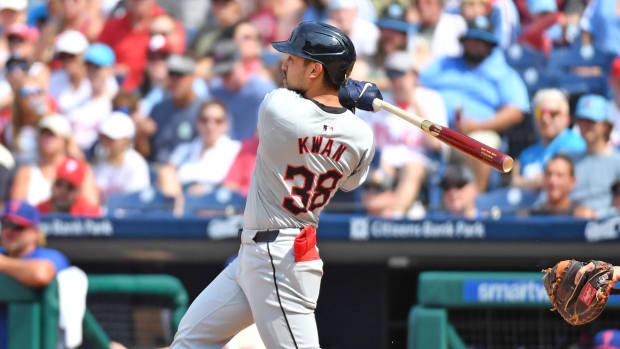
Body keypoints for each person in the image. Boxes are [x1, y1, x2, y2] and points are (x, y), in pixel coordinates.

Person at [170, 21, 379, 348]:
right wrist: (347, 102)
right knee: (191, 340)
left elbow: (309, 113)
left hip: (280, 255)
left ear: (314, 69)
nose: (284, 64)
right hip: (256, 253)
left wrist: (341, 93)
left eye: (294, 59)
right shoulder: (361, 135)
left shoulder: (279, 109)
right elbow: (352, 183)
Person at [420, 15, 529, 191]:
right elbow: (415, 83)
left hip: (476, 132)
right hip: (435, 132)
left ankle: (474, 203)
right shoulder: (445, 64)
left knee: (483, 147)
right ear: (464, 41)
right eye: (472, 40)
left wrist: (477, 126)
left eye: (481, 41)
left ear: (490, 45)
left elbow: (516, 111)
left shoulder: (501, 72)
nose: (475, 45)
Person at [362, 50, 447, 218]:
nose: (396, 80)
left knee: (412, 167)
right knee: (378, 173)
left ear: (414, 76)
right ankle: (402, 206)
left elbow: (435, 144)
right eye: (391, 75)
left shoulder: (431, 99)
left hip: (421, 162)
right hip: (383, 164)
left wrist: (413, 101)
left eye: (401, 74)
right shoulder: (378, 102)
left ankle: (395, 215)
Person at [0, 200, 70, 349]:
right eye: (5, 224)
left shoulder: (49, 256)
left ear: (34, 233)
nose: (9, 231)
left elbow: (41, 274)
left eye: (17, 226)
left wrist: (3, 264)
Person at [158, 100, 241, 197]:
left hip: (217, 204)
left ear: (226, 125)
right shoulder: (184, 149)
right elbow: (167, 175)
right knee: (166, 172)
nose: (210, 126)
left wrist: (207, 190)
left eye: (218, 121)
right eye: (204, 120)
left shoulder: (236, 150)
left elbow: (235, 185)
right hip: (182, 200)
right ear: (197, 123)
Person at [511, 88, 586, 190]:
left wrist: (525, 182)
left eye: (553, 113)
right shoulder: (527, 153)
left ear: (566, 118)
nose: (545, 119)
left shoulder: (576, 145)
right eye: (539, 113)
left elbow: (554, 183)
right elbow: (514, 183)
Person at [209, 40, 276, 141]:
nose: (225, 78)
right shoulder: (215, 90)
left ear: (241, 62)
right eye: (221, 74)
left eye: (228, 72)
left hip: (252, 151)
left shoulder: (262, 91)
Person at [147, 54, 204, 163]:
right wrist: (142, 135)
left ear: (193, 78)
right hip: (156, 170)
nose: (175, 80)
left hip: (188, 173)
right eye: (171, 74)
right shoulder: (158, 109)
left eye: (180, 75)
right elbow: (147, 151)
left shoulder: (205, 110)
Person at [572, 94, 620, 219]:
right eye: (582, 120)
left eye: (592, 121)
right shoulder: (568, 158)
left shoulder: (617, 161)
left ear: (606, 126)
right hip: (570, 226)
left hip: (608, 231)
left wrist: (598, 215)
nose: (586, 125)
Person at [93, 112, 150, 203]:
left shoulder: (136, 163)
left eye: (111, 139)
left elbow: (136, 200)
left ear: (126, 140)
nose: (106, 142)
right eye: (104, 137)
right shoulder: (99, 158)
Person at [522, 154, 593, 217]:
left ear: (572, 182)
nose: (552, 180)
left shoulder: (582, 217)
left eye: (559, 175)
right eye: (549, 174)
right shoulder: (532, 216)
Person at [37, 157, 101, 217]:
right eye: (59, 184)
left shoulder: (88, 213)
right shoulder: (40, 211)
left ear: (78, 191)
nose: (63, 191)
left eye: (70, 187)